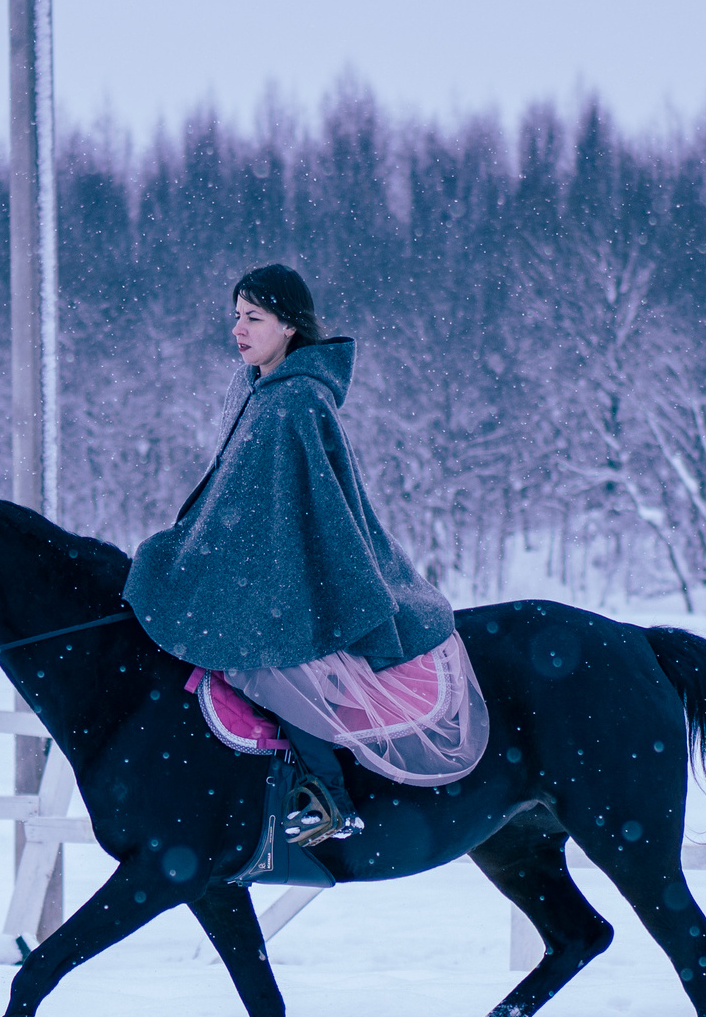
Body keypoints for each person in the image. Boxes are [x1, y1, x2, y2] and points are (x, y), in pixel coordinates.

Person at [124, 265, 488, 845]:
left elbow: (306, 509)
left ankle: (329, 796)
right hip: (269, 570)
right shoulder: (254, 389)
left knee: (268, 663)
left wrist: (213, 561)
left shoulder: (294, 401)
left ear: (289, 326)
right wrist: (191, 545)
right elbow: (235, 496)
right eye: (236, 316)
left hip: (301, 575)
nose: (238, 329)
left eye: (254, 317)